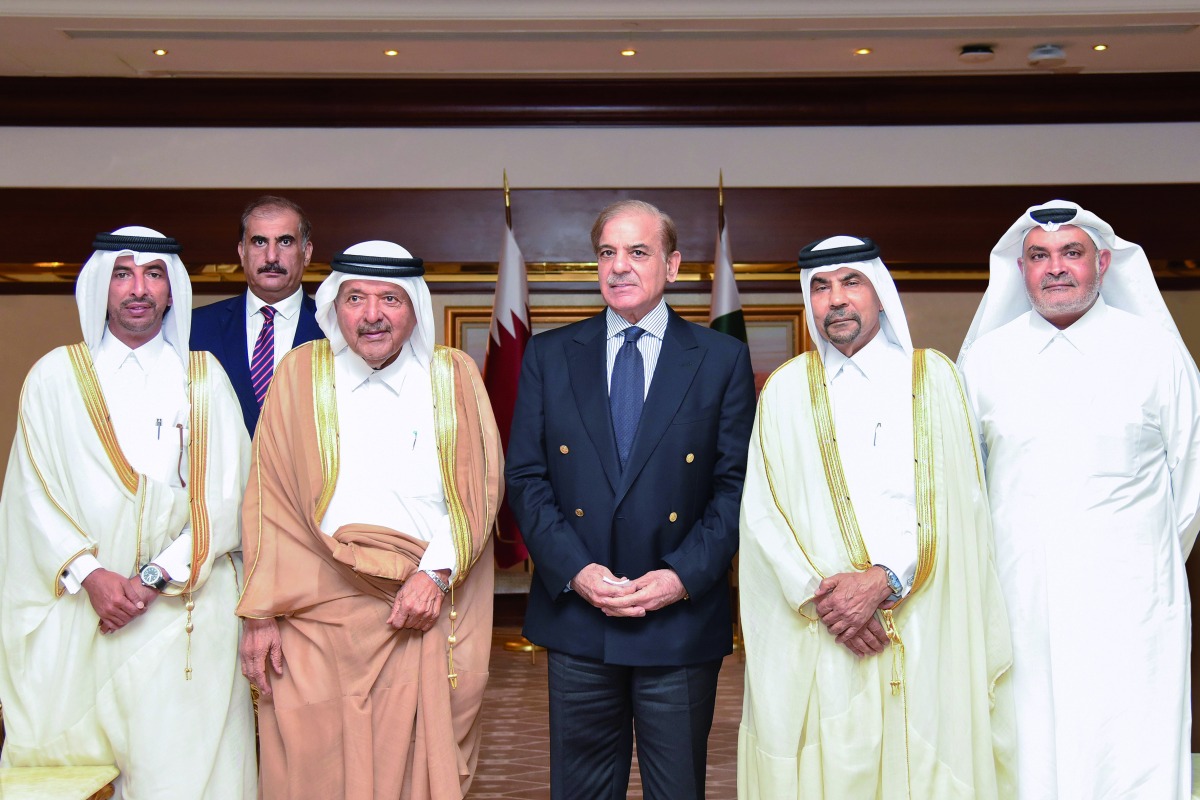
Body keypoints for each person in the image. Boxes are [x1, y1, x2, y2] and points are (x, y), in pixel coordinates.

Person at [737, 235, 1015, 798]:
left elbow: (960, 503)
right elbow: (761, 514)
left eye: (850, 282)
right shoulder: (785, 390)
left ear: (880, 293)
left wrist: (885, 578)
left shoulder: (934, 379)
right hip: (824, 626)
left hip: (925, 614)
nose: (835, 299)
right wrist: (828, 598)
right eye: (820, 287)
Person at [506, 199, 756, 800]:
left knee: (676, 791)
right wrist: (577, 571)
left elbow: (737, 486)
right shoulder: (548, 355)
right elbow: (527, 478)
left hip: (678, 617)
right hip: (580, 613)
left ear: (672, 265)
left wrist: (680, 578)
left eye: (638, 252)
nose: (619, 266)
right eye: (607, 253)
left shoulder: (720, 358)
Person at [236, 240, 502, 800]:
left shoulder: (452, 376)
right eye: (355, 298)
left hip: (422, 605)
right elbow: (269, 500)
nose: (372, 315)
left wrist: (433, 576)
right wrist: (259, 614)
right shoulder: (299, 375)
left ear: (415, 310)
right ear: (334, 306)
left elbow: (480, 489)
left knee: (416, 765)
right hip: (314, 611)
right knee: (313, 764)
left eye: (390, 299)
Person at [0, 227, 256, 797]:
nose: (138, 289)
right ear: (100, 287)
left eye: (153, 274)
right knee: (83, 773)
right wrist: (92, 577)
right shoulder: (54, 378)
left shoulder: (203, 378)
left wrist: (150, 579)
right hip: (83, 611)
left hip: (183, 612)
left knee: (184, 774)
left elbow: (227, 498)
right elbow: (29, 495)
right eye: (122, 274)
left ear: (172, 291)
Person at [958, 200, 1200, 798]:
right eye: (1040, 256)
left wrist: (1142, 568)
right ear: (1022, 269)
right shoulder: (984, 362)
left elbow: (1189, 482)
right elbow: (965, 488)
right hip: (1019, 603)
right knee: (1028, 751)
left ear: (1104, 262)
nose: (1056, 268)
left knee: (1130, 748)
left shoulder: (1155, 352)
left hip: (1134, 604)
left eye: (1072, 253)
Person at [191, 195, 324, 437]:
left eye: (285, 241)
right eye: (259, 242)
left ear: (306, 252)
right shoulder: (195, 329)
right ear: (242, 252)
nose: (271, 257)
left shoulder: (333, 329)